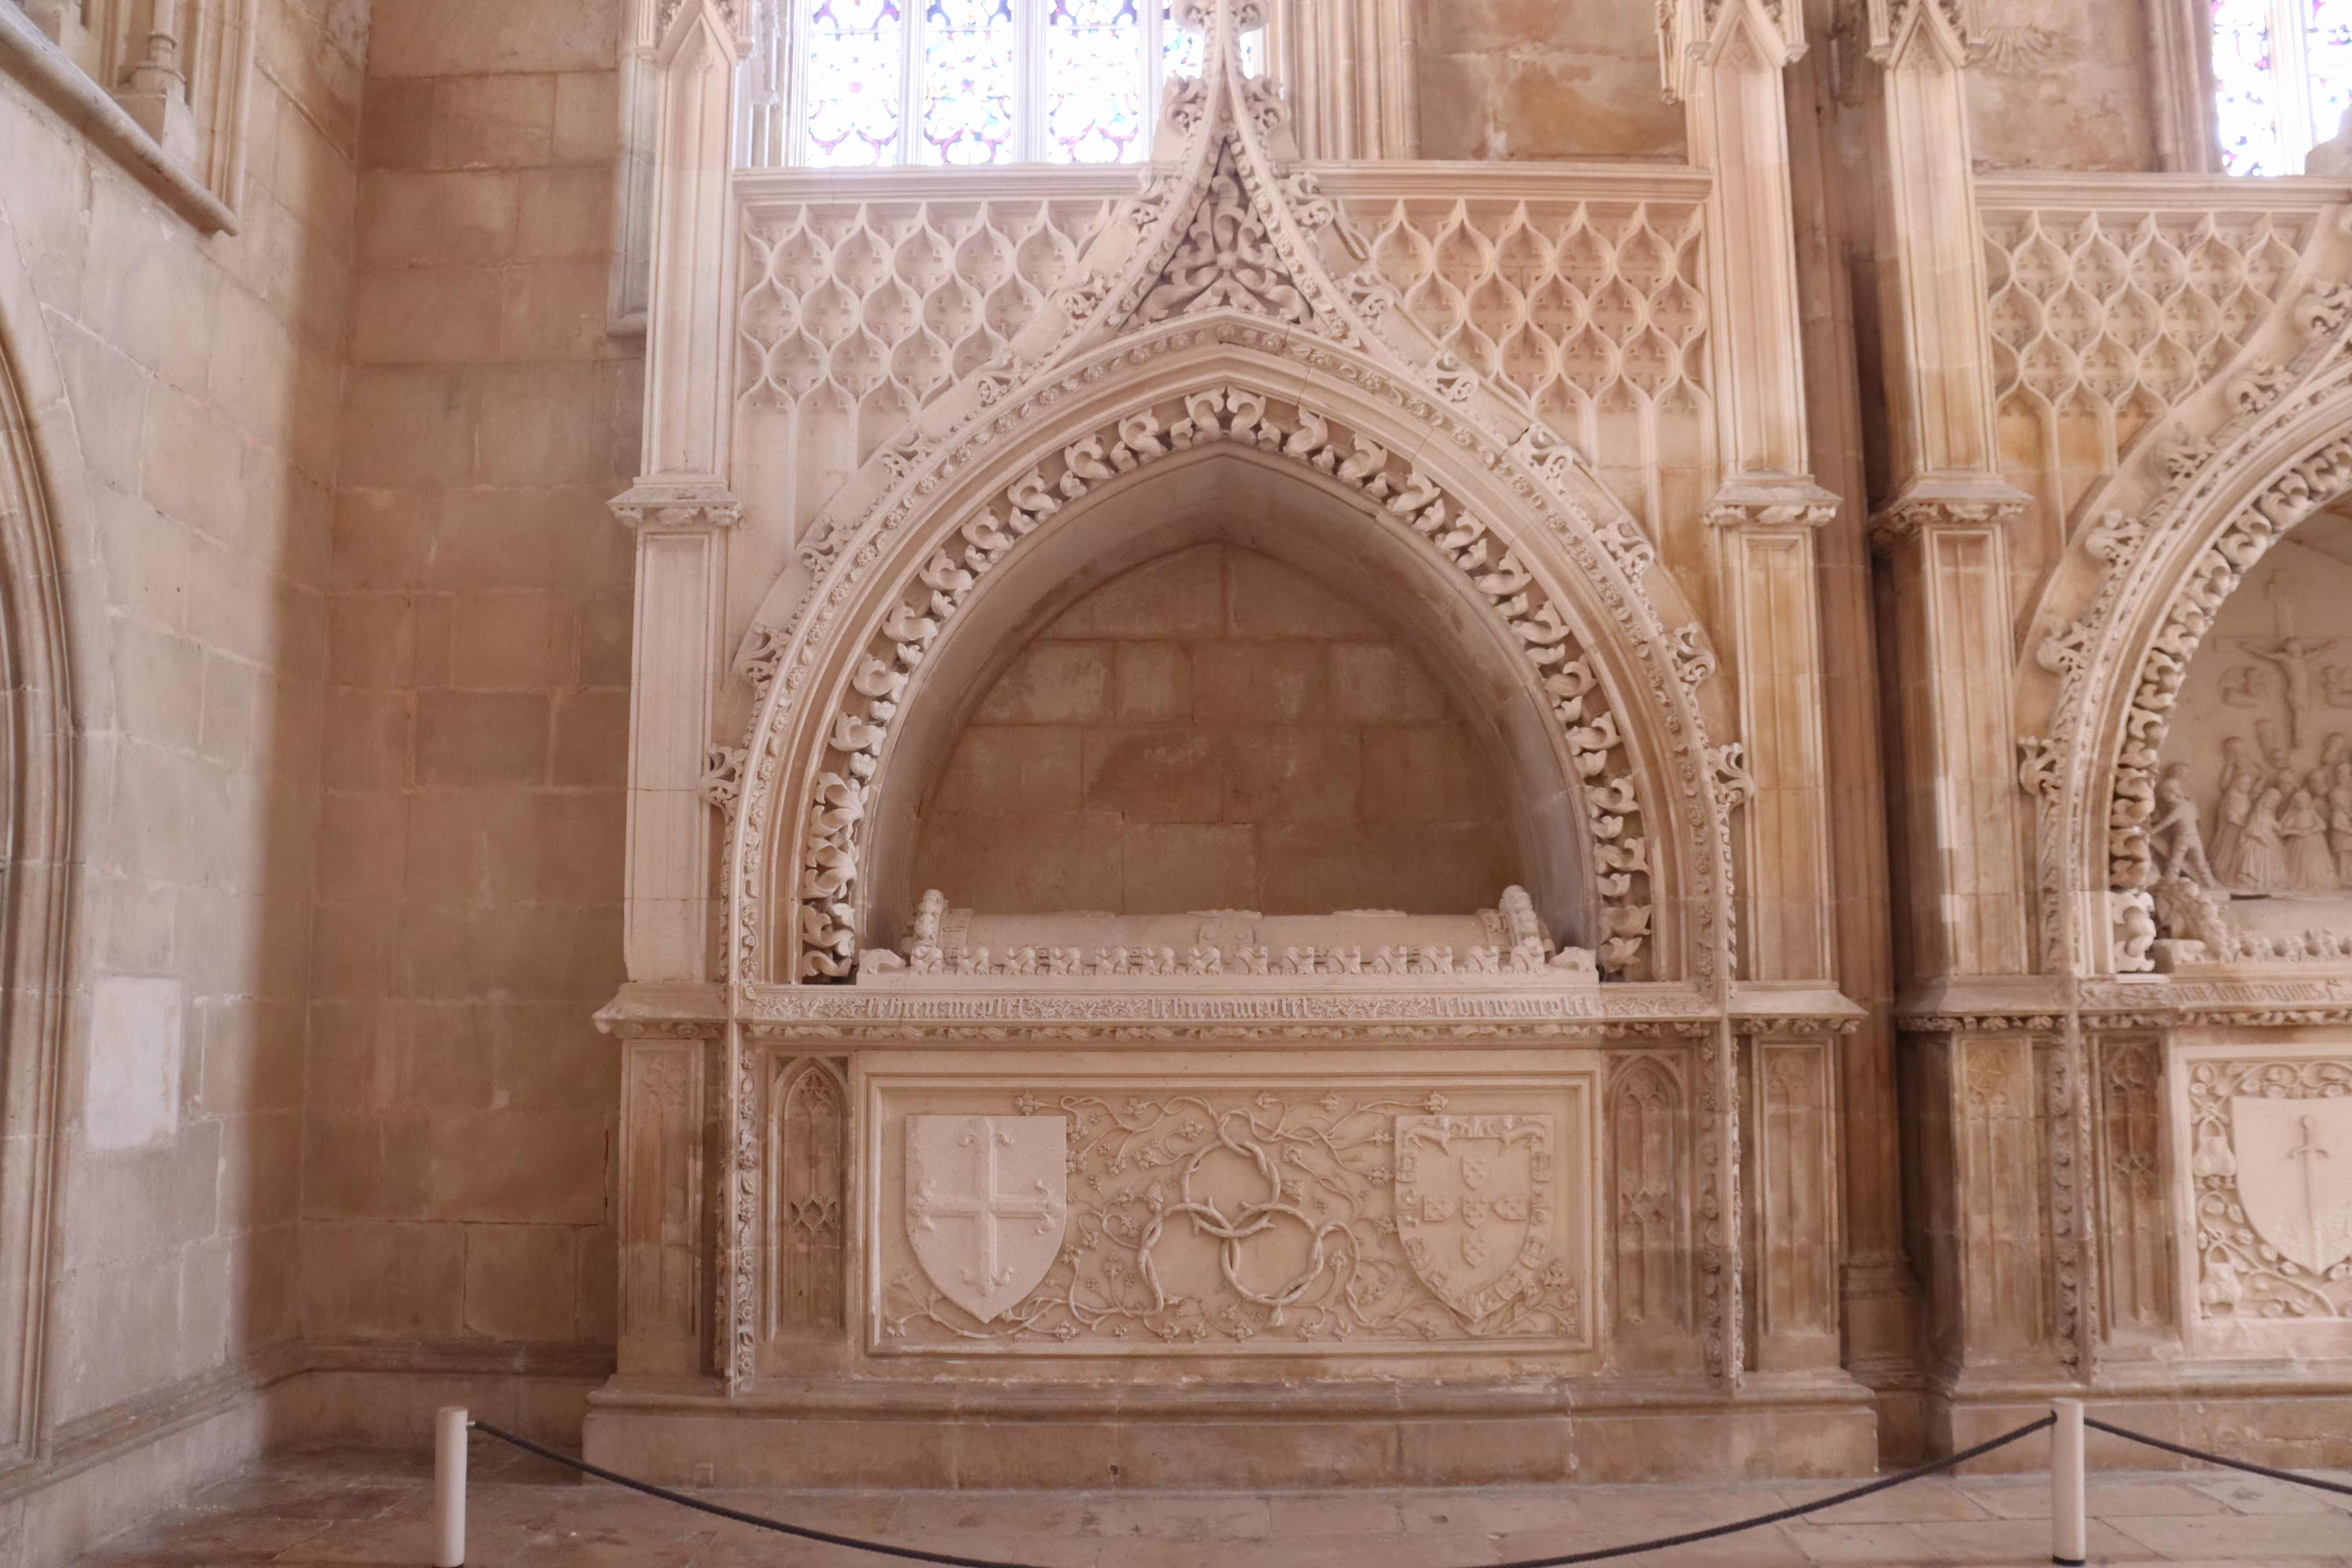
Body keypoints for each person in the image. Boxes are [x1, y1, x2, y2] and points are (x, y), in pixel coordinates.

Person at [2151, 762, 2219, 886]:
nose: (2167, 798)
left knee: (2175, 863)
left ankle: (2169, 885)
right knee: (2201, 863)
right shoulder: (2188, 804)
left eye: (2169, 796)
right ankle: (2211, 884)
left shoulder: (2181, 806)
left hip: (2184, 837)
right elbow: (2196, 820)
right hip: (2195, 837)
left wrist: (2153, 831)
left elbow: (2168, 821)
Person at [2283, 785, 2335, 891]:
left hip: (2313, 843)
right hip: (2297, 844)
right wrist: (2296, 832)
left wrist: (2310, 831)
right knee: (2299, 864)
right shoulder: (2293, 816)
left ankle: (2313, 883)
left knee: (2312, 863)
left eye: (2304, 802)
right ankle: (2300, 883)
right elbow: (2283, 831)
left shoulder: (2312, 814)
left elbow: (2323, 826)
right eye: (2299, 802)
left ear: (2308, 803)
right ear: (2295, 804)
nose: (2302, 804)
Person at [2238, 786, 2288, 894]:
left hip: (2271, 840)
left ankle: (2267, 881)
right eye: (2272, 800)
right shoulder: (2256, 814)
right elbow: (2249, 830)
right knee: (2261, 851)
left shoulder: (2271, 815)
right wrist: (2259, 838)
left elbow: (2278, 828)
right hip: (2256, 840)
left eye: (2277, 802)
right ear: (2266, 798)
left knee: (2274, 853)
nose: (2273, 803)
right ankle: (2257, 881)